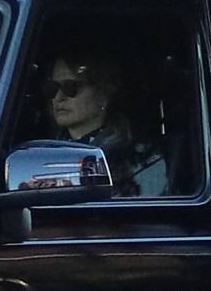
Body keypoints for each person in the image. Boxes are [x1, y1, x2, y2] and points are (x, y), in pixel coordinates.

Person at [40, 52, 171, 197]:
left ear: (105, 94)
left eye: (71, 87)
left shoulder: (141, 158)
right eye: (52, 88)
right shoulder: (43, 153)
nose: (59, 97)